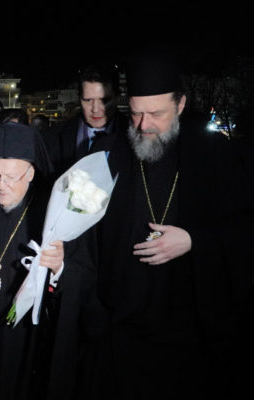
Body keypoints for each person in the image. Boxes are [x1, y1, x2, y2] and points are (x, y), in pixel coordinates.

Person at [81, 51, 254, 400]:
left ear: (180, 104)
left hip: (191, 336)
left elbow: (245, 228)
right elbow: (84, 239)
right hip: (122, 332)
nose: (143, 125)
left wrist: (194, 241)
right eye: (136, 112)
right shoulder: (108, 152)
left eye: (156, 114)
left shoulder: (216, 153)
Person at [0, 122, 92, 400]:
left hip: (26, 340)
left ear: (31, 173)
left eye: (11, 177)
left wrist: (59, 267)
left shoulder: (54, 215)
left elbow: (83, 275)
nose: (0, 186)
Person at [49, 64, 126, 177]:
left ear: (117, 97)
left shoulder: (135, 136)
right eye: (88, 100)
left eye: (104, 100)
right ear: (79, 98)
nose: (95, 109)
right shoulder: (52, 138)